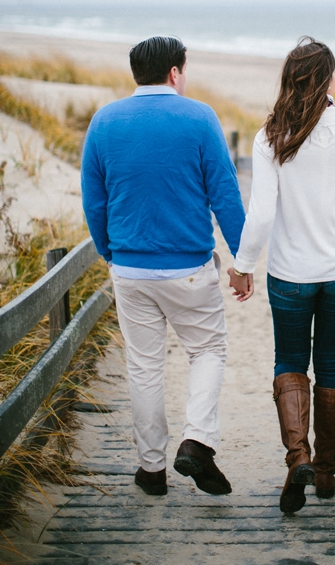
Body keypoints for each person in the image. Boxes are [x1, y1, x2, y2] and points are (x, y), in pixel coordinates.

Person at [81, 36, 245, 497]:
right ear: (176, 72)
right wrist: (242, 260)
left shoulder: (105, 120)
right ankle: (196, 440)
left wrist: (110, 251)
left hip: (130, 269)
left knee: (145, 366)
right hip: (189, 268)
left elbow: (95, 198)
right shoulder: (199, 117)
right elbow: (225, 194)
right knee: (208, 350)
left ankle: (151, 470)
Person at [229, 38, 335, 514]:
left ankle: (298, 457)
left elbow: (260, 215)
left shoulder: (272, 134)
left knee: (290, 362)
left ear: (289, 81)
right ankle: (326, 473)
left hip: (291, 274)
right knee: (332, 366)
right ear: (331, 82)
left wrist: (242, 265)